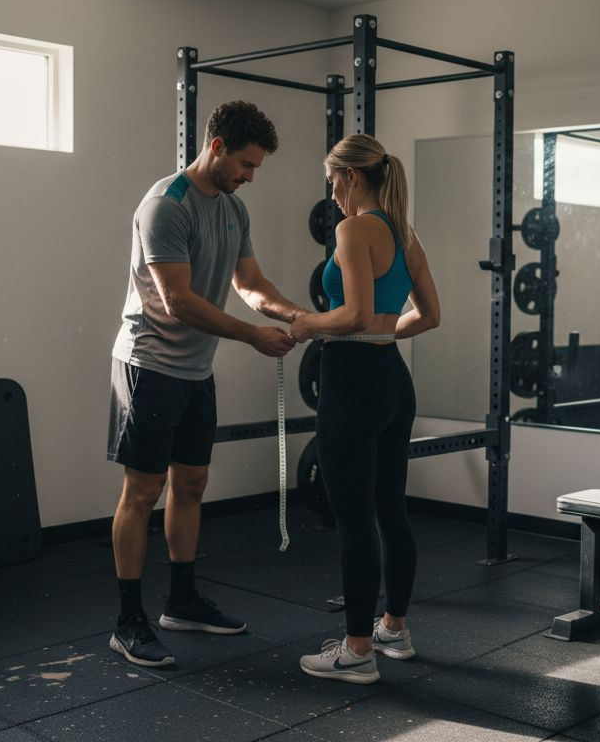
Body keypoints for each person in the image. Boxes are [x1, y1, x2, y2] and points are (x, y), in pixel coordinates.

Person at [107, 100, 305, 667]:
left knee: (191, 483)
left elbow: (250, 281)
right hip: (148, 365)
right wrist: (252, 336)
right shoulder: (165, 206)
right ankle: (128, 621)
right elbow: (179, 301)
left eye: (256, 167)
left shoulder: (233, 209)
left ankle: (182, 601)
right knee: (142, 492)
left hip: (195, 370)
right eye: (246, 164)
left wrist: (296, 316)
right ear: (216, 147)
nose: (251, 176)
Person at [289, 133, 441, 684]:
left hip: (352, 382)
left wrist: (306, 324)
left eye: (332, 181)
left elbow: (351, 314)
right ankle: (393, 628)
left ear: (352, 176)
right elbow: (429, 315)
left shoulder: (353, 230)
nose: (331, 193)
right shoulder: (405, 233)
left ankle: (356, 651)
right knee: (391, 511)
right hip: (393, 379)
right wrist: (382, 333)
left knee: (354, 521)